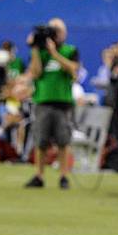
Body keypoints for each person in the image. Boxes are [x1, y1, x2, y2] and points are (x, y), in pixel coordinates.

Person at [25, 18, 79, 190]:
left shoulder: (70, 50)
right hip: (43, 101)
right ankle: (39, 175)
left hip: (63, 102)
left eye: (58, 30)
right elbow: (35, 73)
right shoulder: (40, 53)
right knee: (40, 141)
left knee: (63, 141)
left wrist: (55, 53)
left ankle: (64, 175)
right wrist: (35, 48)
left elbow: (74, 70)